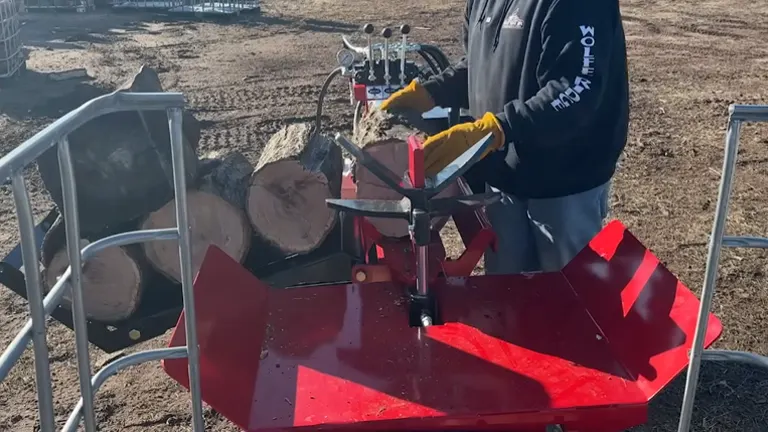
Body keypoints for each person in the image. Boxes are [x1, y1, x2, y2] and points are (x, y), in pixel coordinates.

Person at [379, 0, 630, 275]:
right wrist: (432, 92)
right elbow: (478, 65)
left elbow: (576, 88)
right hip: (503, 178)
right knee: (505, 295)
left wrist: (498, 128)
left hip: (564, 183)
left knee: (567, 295)